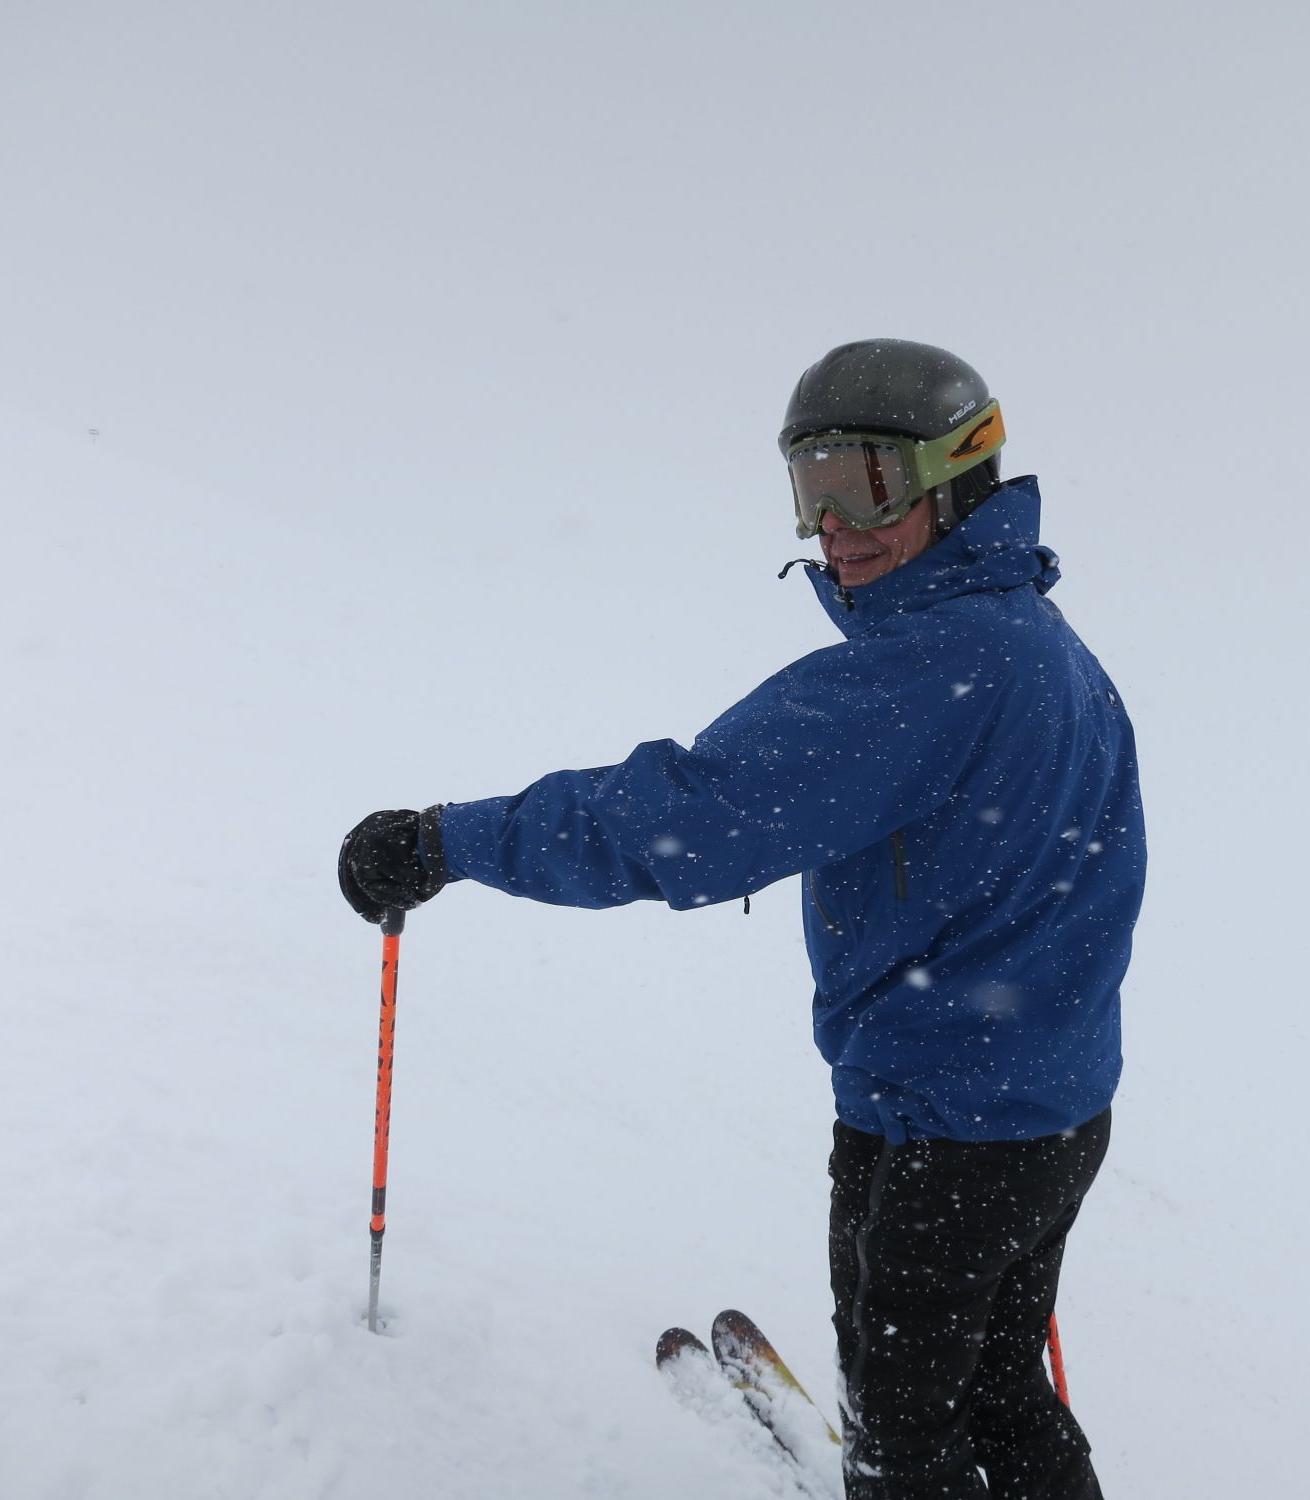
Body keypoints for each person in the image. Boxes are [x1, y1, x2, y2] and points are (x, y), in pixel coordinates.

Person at [339, 339, 1146, 1499]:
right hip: (1044, 1115)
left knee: (904, 1445)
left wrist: (441, 844)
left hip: (941, 1134)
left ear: (955, 480)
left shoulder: (921, 675)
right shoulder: (1040, 645)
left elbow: (682, 819)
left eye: (866, 484)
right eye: (810, 489)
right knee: (996, 1392)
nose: (835, 527)